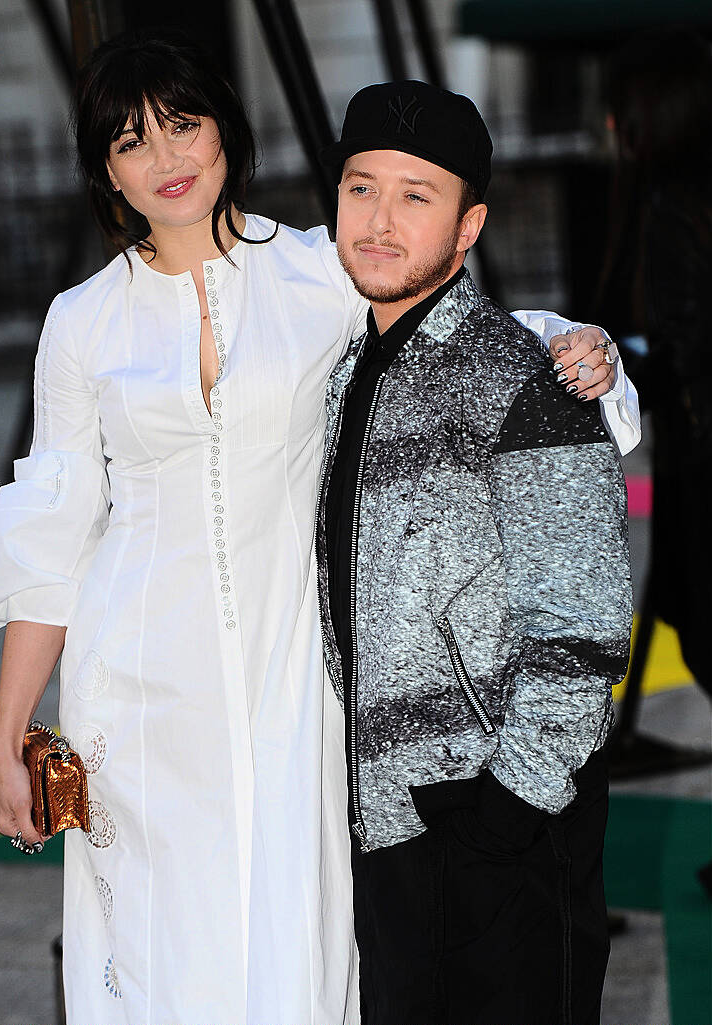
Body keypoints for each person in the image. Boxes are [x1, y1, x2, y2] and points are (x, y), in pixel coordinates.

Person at [0, 32, 637, 1025]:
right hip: (137, 685)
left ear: (226, 135)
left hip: (292, 686)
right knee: (157, 949)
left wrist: (585, 351)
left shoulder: (311, 270)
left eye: (182, 124)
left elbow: (450, 321)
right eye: (130, 141)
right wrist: (9, 728)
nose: (165, 157)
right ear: (104, 171)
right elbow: (53, 524)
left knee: (294, 947)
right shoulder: (81, 319)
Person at [316, 82, 634, 1025]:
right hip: (385, 819)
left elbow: (582, 630)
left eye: (417, 196)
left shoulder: (521, 378)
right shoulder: (342, 369)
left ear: (469, 226)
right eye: (362, 188)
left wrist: (509, 810)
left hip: (502, 825)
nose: (380, 221)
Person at [597, 30, 712, 700]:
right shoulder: (683, 198)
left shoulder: (672, 206)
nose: (611, 128)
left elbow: (683, 341)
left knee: (697, 619)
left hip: (699, 449)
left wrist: (615, 371)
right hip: (693, 443)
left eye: (620, 111)